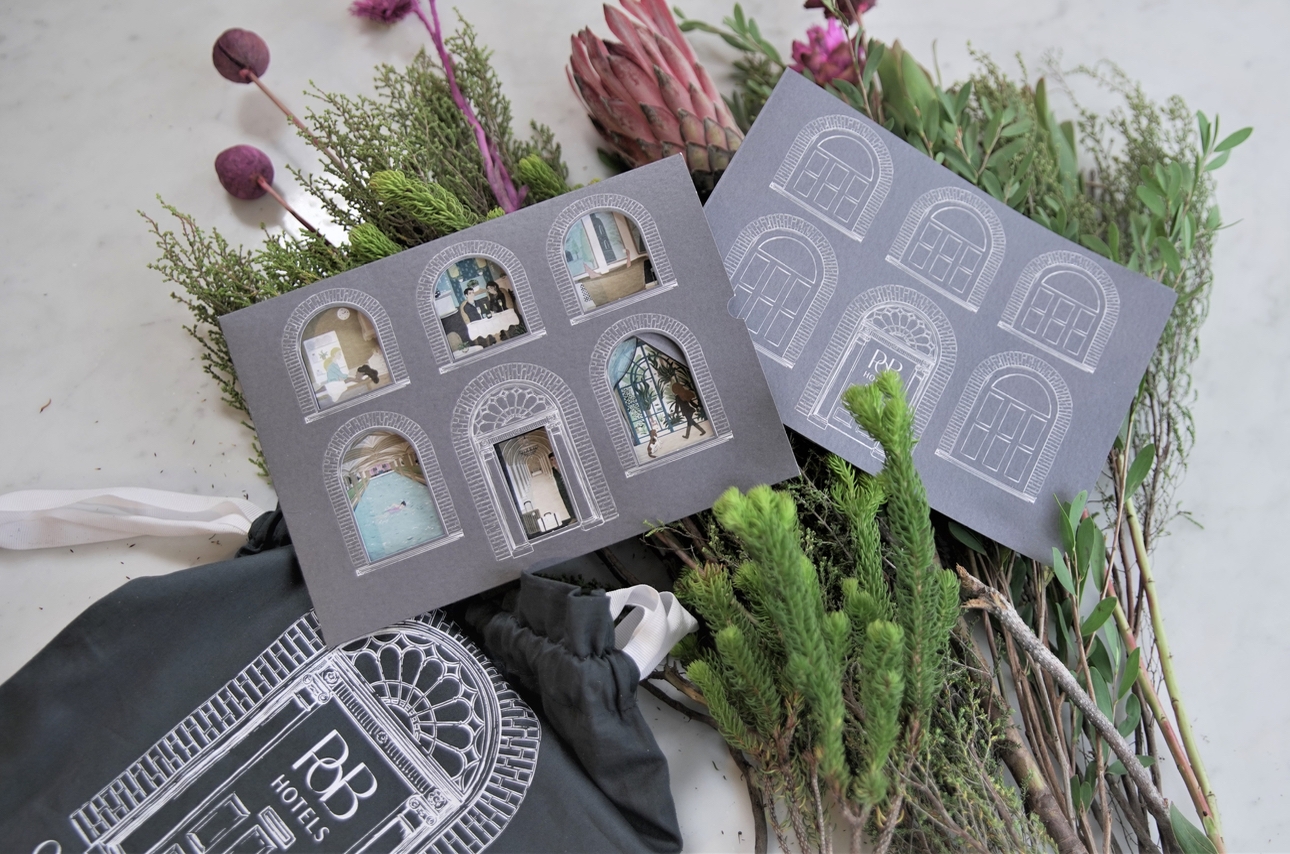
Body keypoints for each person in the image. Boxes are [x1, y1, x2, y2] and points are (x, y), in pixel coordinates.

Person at [547, 452, 575, 526]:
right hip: (562, 489)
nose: (554, 461)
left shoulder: (564, 465)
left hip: (571, 487)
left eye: (555, 458)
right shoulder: (554, 469)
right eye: (552, 460)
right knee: (567, 502)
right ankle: (573, 517)